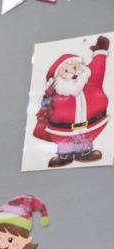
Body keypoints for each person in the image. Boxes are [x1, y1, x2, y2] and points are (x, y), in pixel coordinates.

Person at [33, 36, 110, 168]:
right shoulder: (55, 91)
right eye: (66, 70)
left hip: (91, 124)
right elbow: (46, 107)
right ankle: (64, 157)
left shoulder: (89, 78)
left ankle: (84, 153)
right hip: (63, 129)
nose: (73, 72)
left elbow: (98, 67)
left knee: (86, 139)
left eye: (75, 66)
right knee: (65, 143)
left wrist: (100, 51)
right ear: (58, 76)